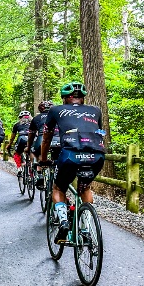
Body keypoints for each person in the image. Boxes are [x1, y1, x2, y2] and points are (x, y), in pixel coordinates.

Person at [40, 82, 106, 243]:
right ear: (83, 98)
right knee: (85, 187)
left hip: (70, 155)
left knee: (58, 188)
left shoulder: (55, 110)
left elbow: (46, 138)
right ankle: (86, 229)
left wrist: (43, 159)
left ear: (64, 98)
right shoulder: (96, 110)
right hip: (97, 156)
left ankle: (63, 222)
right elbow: (99, 133)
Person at [26, 100, 53, 188]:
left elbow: (31, 134)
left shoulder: (36, 118)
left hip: (42, 138)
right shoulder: (57, 116)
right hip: (58, 139)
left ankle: (39, 173)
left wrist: (28, 147)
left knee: (35, 153)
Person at [7, 110, 31, 175]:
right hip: (32, 139)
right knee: (34, 153)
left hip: (21, 138)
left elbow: (12, 137)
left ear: (20, 118)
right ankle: (33, 171)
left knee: (17, 153)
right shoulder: (34, 123)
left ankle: (19, 167)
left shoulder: (17, 124)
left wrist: (9, 144)